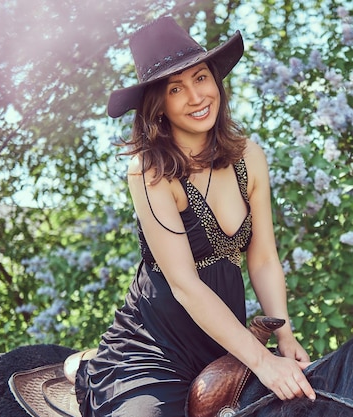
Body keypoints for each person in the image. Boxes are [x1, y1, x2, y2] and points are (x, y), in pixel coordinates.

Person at [77, 15, 316, 417]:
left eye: (201, 78)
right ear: (158, 105)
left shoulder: (249, 158)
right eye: (176, 88)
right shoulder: (149, 170)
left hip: (227, 343)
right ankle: (91, 367)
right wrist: (262, 362)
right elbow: (185, 284)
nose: (195, 96)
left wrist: (286, 336)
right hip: (153, 354)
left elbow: (262, 258)